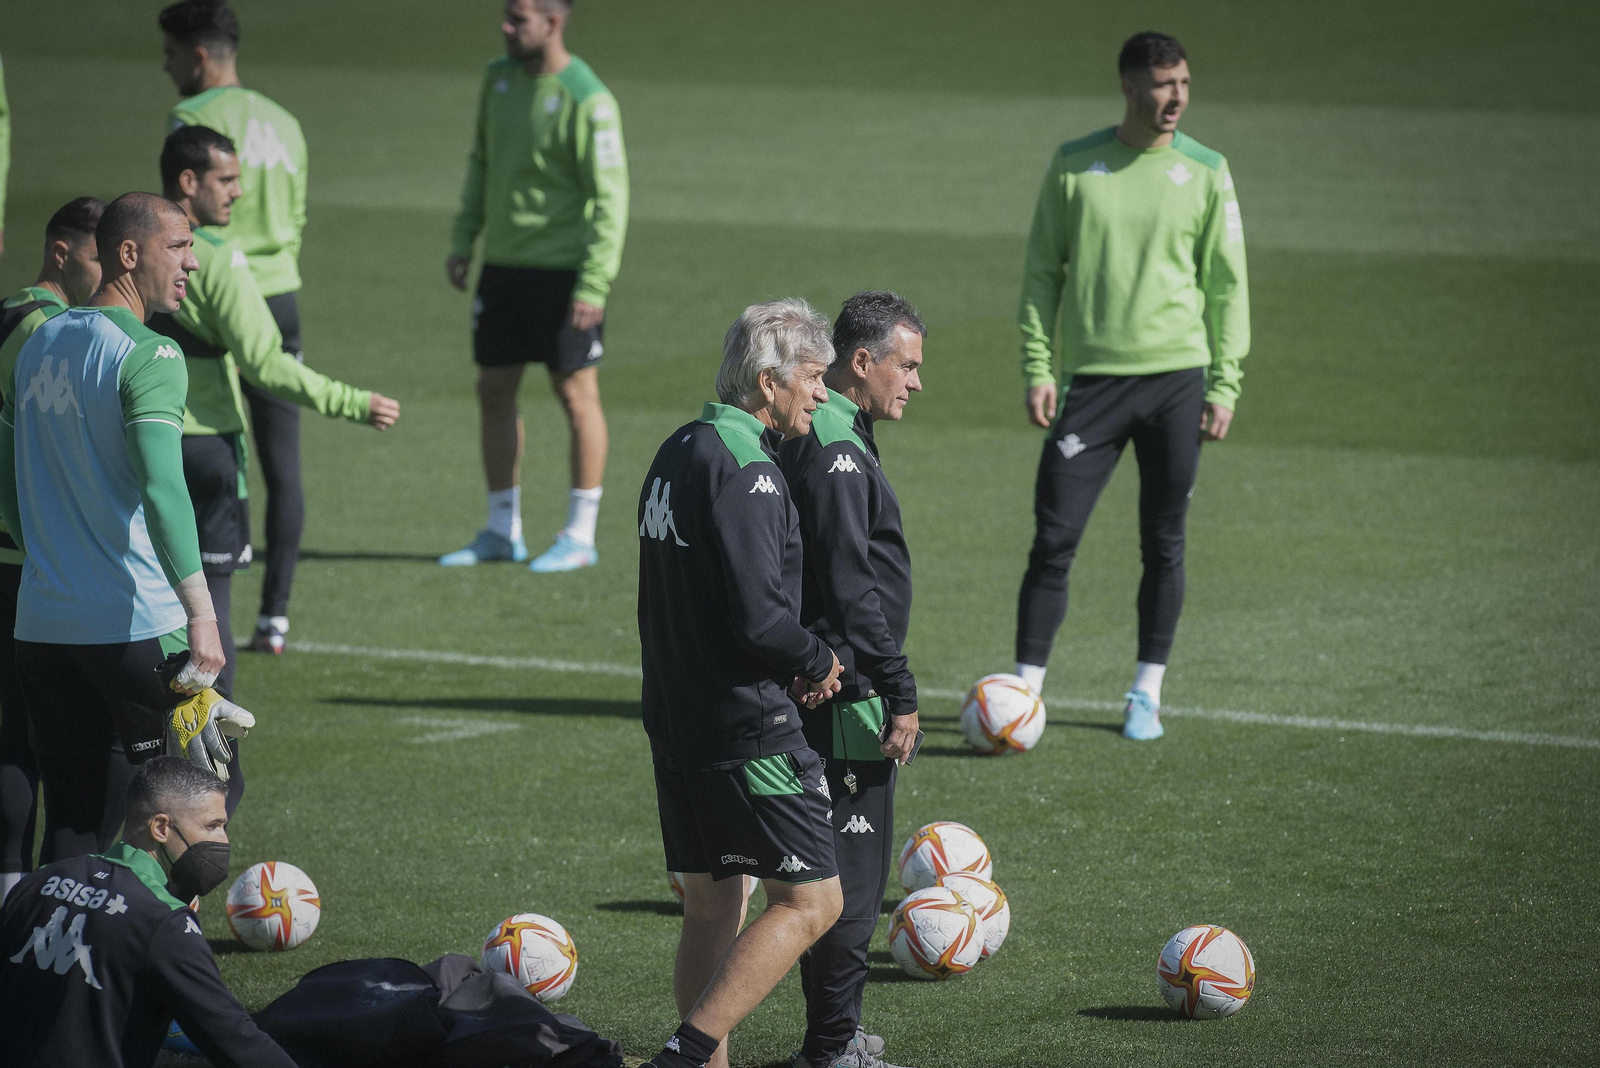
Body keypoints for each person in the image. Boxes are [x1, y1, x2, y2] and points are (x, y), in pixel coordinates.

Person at [1013, 32, 1249, 740]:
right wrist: (1038, 366)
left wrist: (1225, 383)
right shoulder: (1075, 166)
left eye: (1182, 83)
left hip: (1178, 380)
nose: (1174, 97)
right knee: (1054, 537)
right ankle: (1023, 692)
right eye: (1161, 84)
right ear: (1128, 87)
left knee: (1164, 541)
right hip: (1093, 385)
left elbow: (1227, 287)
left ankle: (1145, 691)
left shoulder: (1207, 170)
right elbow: (1041, 275)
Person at [0, 192, 240, 862]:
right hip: (135, 625)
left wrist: (45, 552)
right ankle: (155, 952)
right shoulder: (151, 355)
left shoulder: (38, 344)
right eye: (180, 247)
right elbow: (166, 490)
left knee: (76, 815)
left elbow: (5, 476)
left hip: (43, 625)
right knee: (190, 812)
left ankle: (49, 957)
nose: (193, 263)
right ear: (129, 254)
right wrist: (202, 613)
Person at [636, 299, 845, 1068]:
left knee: (714, 904)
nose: (822, 396)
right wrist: (817, 659)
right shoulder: (749, 470)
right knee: (813, 902)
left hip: (675, 717)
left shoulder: (677, 448)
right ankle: (684, 1055)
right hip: (745, 728)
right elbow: (761, 620)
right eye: (814, 379)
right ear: (768, 381)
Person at [151, 125, 400, 703]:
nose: (239, 192)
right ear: (189, 182)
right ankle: (215, 774)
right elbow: (266, 364)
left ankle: (148, 759)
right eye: (228, 179)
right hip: (206, 449)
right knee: (207, 616)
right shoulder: (213, 261)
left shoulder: (127, 250)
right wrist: (353, 402)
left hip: (139, 446)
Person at [778, 293, 925, 1068]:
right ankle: (830, 1049)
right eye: (908, 365)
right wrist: (897, 687)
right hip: (847, 696)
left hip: (837, 685)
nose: (917, 382)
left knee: (835, 880)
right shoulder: (836, 445)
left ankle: (836, 1037)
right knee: (852, 884)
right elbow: (848, 587)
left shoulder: (838, 429)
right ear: (861, 363)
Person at [442, 0, 629, 573]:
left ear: (554, 21)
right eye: (506, 15)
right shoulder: (497, 80)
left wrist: (593, 284)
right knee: (493, 389)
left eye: (517, 18)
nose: (505, 27)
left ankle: (580, 534)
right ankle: (503, 531)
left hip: (565, 275)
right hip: (503, 267)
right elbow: (481, 161)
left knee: (576, 396)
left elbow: (611, 197)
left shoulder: (588, 98)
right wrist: (464, 236)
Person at [162, 0, 311, 655]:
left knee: (196, 449)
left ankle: (186, 604)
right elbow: (300, 214)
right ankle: (274, 616)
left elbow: (172, 216)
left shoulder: (191, 120)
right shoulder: (286, 121)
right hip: (279, 295)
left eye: (170, 55)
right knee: (283, 462)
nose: (166, 67)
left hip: (212, 297)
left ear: (198, 55)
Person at [0, 756, 297, 1067]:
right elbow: (235, 1039)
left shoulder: (40, 879)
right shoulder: (163, 922)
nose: (223, 841)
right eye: (213, 826)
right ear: (161, 827)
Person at [0, 197, 107, 900]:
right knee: (59, 745)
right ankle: (64, 902)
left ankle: (11, 890)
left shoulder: (7, 311)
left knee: (8, 737)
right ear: (62, 252)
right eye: (100, 256)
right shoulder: (48, 332)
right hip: (30, 561)